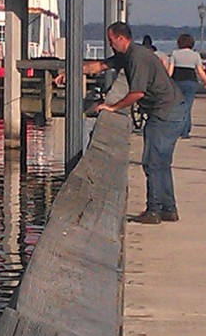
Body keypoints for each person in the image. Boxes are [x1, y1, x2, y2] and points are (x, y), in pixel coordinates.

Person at [59, 21, 186, 224]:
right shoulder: (126, 55)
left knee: (153, 162)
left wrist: (112, 107)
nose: (110, 44)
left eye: (111, 40)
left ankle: (154, 210)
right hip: (172, 108)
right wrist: (72, 73)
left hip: (165, 111)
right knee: (162, 162)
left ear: (121, 38)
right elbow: (99, 66)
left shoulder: (137, 57)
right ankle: (168, 208)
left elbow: (137, 93)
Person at [166, 32, 206, 138]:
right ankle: (186, 131)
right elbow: (200, 71)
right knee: (187, 107)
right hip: (191, 81)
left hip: (177, 81)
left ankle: (178, 129)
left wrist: (166, 81)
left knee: (177, 106)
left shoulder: (175, 54)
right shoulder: (195, 55)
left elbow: (170, 71)